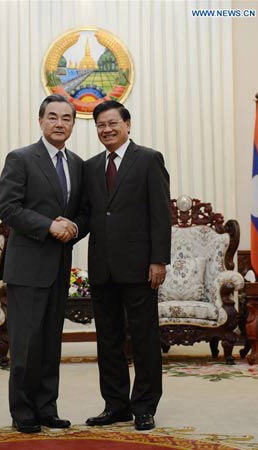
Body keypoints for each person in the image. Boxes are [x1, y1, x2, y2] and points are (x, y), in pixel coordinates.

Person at [75, 100, 171, 431]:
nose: (107, 130)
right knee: (108, 339)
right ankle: (115, 405)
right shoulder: (89, 167)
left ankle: (144, 405)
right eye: (100, 125)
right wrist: (66, 228)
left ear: (127, 124)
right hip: (102, 267)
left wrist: (158, 259)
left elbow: (161, 214)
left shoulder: (148, 159)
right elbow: (89, 214)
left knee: (144, 338)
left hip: (141, 266)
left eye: (113, 123)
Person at [0, 95, 82, 433]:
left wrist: (74, 227)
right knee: (26, 344)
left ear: (74, 124)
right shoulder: (20, 159)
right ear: (40, 121)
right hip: (27, 268)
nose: (59, 123)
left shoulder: (76, 163)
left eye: (66, 118)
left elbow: (78, 212)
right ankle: (23, 411)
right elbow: (9, 208)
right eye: (52, 117)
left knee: (50, 343)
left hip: (59, 267)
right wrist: (49, 226)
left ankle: (47, 407)